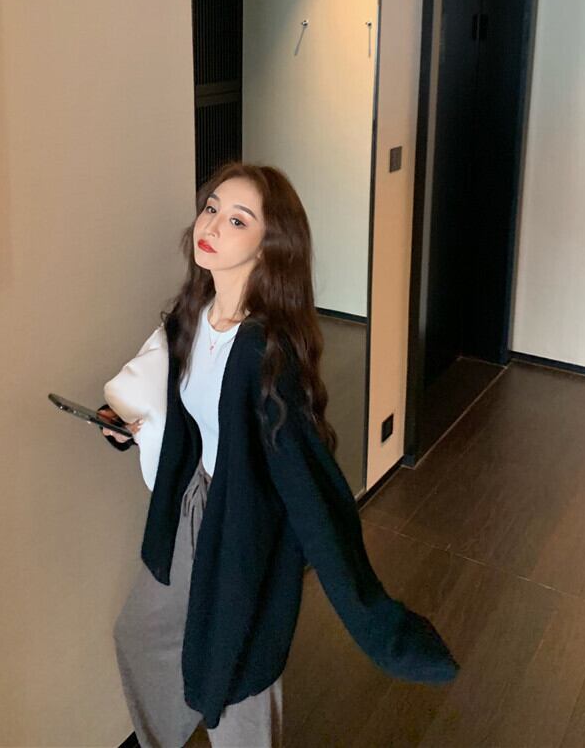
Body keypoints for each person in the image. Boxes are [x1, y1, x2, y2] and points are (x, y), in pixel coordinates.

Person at [99, 161, 459, 748]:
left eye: (238, 220)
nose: (212, 224)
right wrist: (125, 425)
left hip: (247, 527)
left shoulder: (264, 351)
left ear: (269, 248)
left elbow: (310, 487)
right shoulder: (193, 316)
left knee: (240, 676)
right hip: (193, 507)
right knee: (140, 634)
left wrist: (378, 624)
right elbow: (180, 410)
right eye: (212, 207)